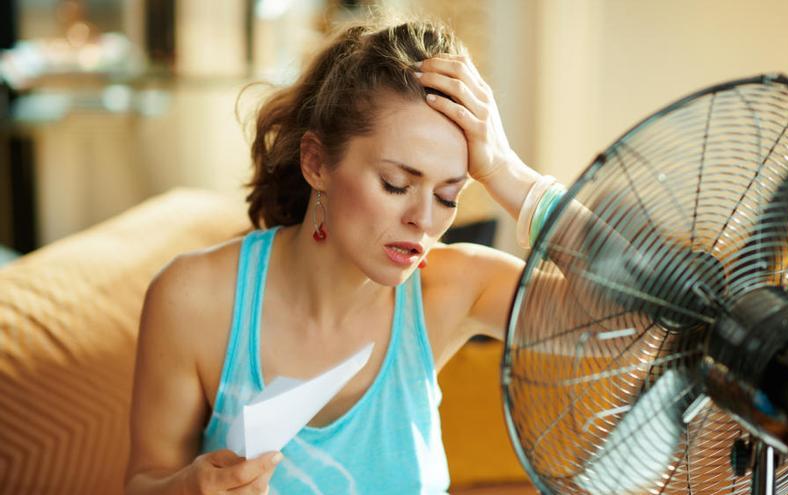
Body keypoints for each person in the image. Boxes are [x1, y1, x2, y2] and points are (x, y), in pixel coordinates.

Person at [124, 17, 565, 495]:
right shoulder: (194, 299)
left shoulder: (452, 288)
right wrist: (191, 489)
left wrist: (513, 176)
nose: (423, 220)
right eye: (397, 184)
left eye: (447, 195)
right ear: (316, 163)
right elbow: (144, 482)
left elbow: (648, 311)